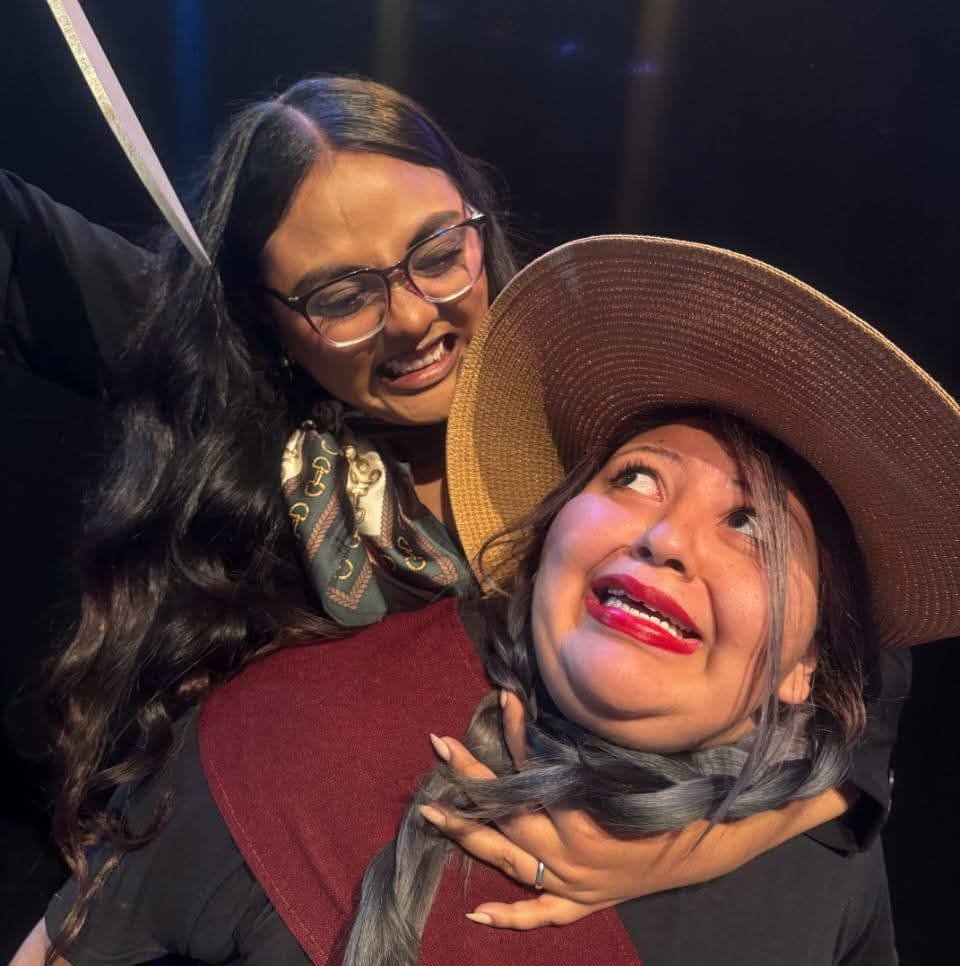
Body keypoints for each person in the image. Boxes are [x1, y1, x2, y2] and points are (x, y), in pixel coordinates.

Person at [4, 77, 905, 949]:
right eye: (342, 297)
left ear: (479, 220)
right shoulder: (233, 418)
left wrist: (691, 845)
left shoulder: (592, 410)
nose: (409, 317)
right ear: (262, 316)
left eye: (438, 254)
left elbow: (851, 630)